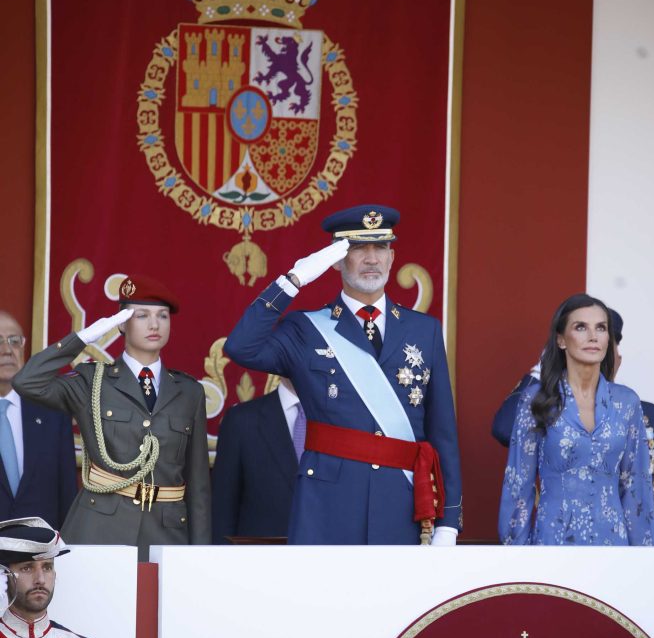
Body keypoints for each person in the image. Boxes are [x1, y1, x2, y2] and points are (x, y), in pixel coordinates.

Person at [225, 204, 462, 546]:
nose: (371, 259)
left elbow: (443, 433)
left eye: (380, 247)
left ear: (392, 257)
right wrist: (292, 281)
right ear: (335, 260)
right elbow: (240, 347)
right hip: (327, 506)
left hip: (400, 503)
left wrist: (449, 522)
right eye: (357, 248)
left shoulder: (423, 330)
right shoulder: (305, 328)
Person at [13, 276, 211, 561]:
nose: (154, 325)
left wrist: (200, 556)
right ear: (121, 323)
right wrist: (81, 339)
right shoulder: (92, 381)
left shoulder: (189, 391)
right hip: (101, 528)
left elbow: (199, 485)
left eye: (162, 316)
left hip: (167, 532)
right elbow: (27, 382)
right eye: (141, 315)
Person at [492, 308, 654, 545]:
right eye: (581, 331)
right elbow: (503, 429)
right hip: (554, 542)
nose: (593, 342)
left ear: (616, 356)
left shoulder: (642, 412)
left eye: (601, 334)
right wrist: (542, 370)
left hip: (616, 549)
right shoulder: (544, 404)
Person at [0, 312, 76, 526]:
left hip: (40, 552)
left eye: (14, 341)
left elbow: (67, 491)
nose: (7, 350)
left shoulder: (52, 411)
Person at [212, 378, 301, 541]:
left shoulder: (344, 420)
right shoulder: (241, 420)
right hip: (258, 561)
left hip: (331, 559)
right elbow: (222, 511)